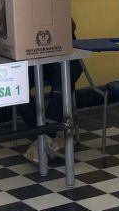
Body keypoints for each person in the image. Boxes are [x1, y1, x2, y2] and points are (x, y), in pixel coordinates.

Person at [17, 19, 82, 163]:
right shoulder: (14, 8)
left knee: (65, 78)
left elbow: (71, 26)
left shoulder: (54, 6)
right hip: (28, 57)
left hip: (57, 55)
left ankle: (43, 137)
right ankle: (43, 137)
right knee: (15, 85)